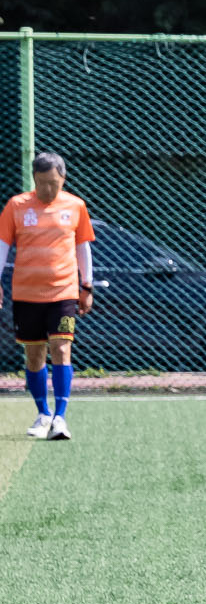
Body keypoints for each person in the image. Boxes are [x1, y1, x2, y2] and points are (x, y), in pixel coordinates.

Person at [0, 153, 96, 441]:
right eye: (41, 183)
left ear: (63, 179)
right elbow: (3, 245)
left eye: (53, 183)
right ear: (34, 180)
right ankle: (42, 414)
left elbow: (82, 247)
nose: (47, 190)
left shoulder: (76, 205)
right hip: (27, 293)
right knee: (34, 356)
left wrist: (86, 286)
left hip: (63, 292)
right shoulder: (16, 206)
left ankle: (60, 418)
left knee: (61, 349)